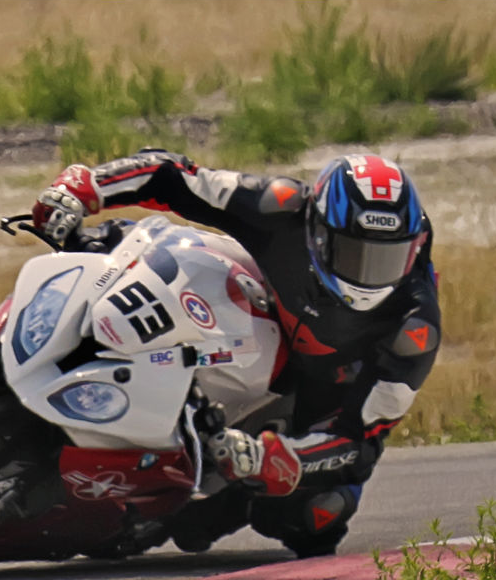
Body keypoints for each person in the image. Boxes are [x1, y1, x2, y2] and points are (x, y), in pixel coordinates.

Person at [30, 149, 440, 556]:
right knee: (119, 242)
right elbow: (174, 177)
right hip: (255, 312)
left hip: (319, 402)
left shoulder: (414, 327)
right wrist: (86, 186)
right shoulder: (280, 206)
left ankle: (191, 500)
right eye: (356, 254)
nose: (370, 275)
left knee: (312, 517)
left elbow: (362, 439)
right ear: (318, 232)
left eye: (388, 259)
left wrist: (283, 458)